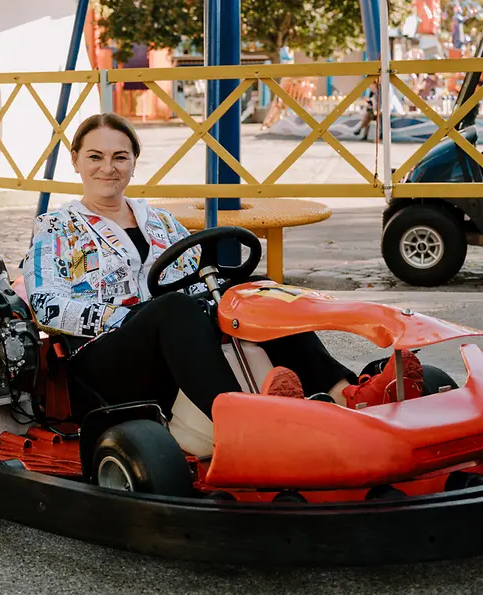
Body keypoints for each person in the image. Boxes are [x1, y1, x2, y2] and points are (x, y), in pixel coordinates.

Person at [22, 113, 423, 423]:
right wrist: (128, 317)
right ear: (75, 160)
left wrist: (235, 295)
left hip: (175, 338)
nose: (107, 168)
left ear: (133, 164)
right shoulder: (56, 228)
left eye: (119, 157)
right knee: (172, 309)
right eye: (95, 157)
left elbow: (200, 273)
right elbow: (44, 303)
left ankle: (346, 393)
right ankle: (241, 417)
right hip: (101, 360)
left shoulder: (158, 221)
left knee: (258, 291)